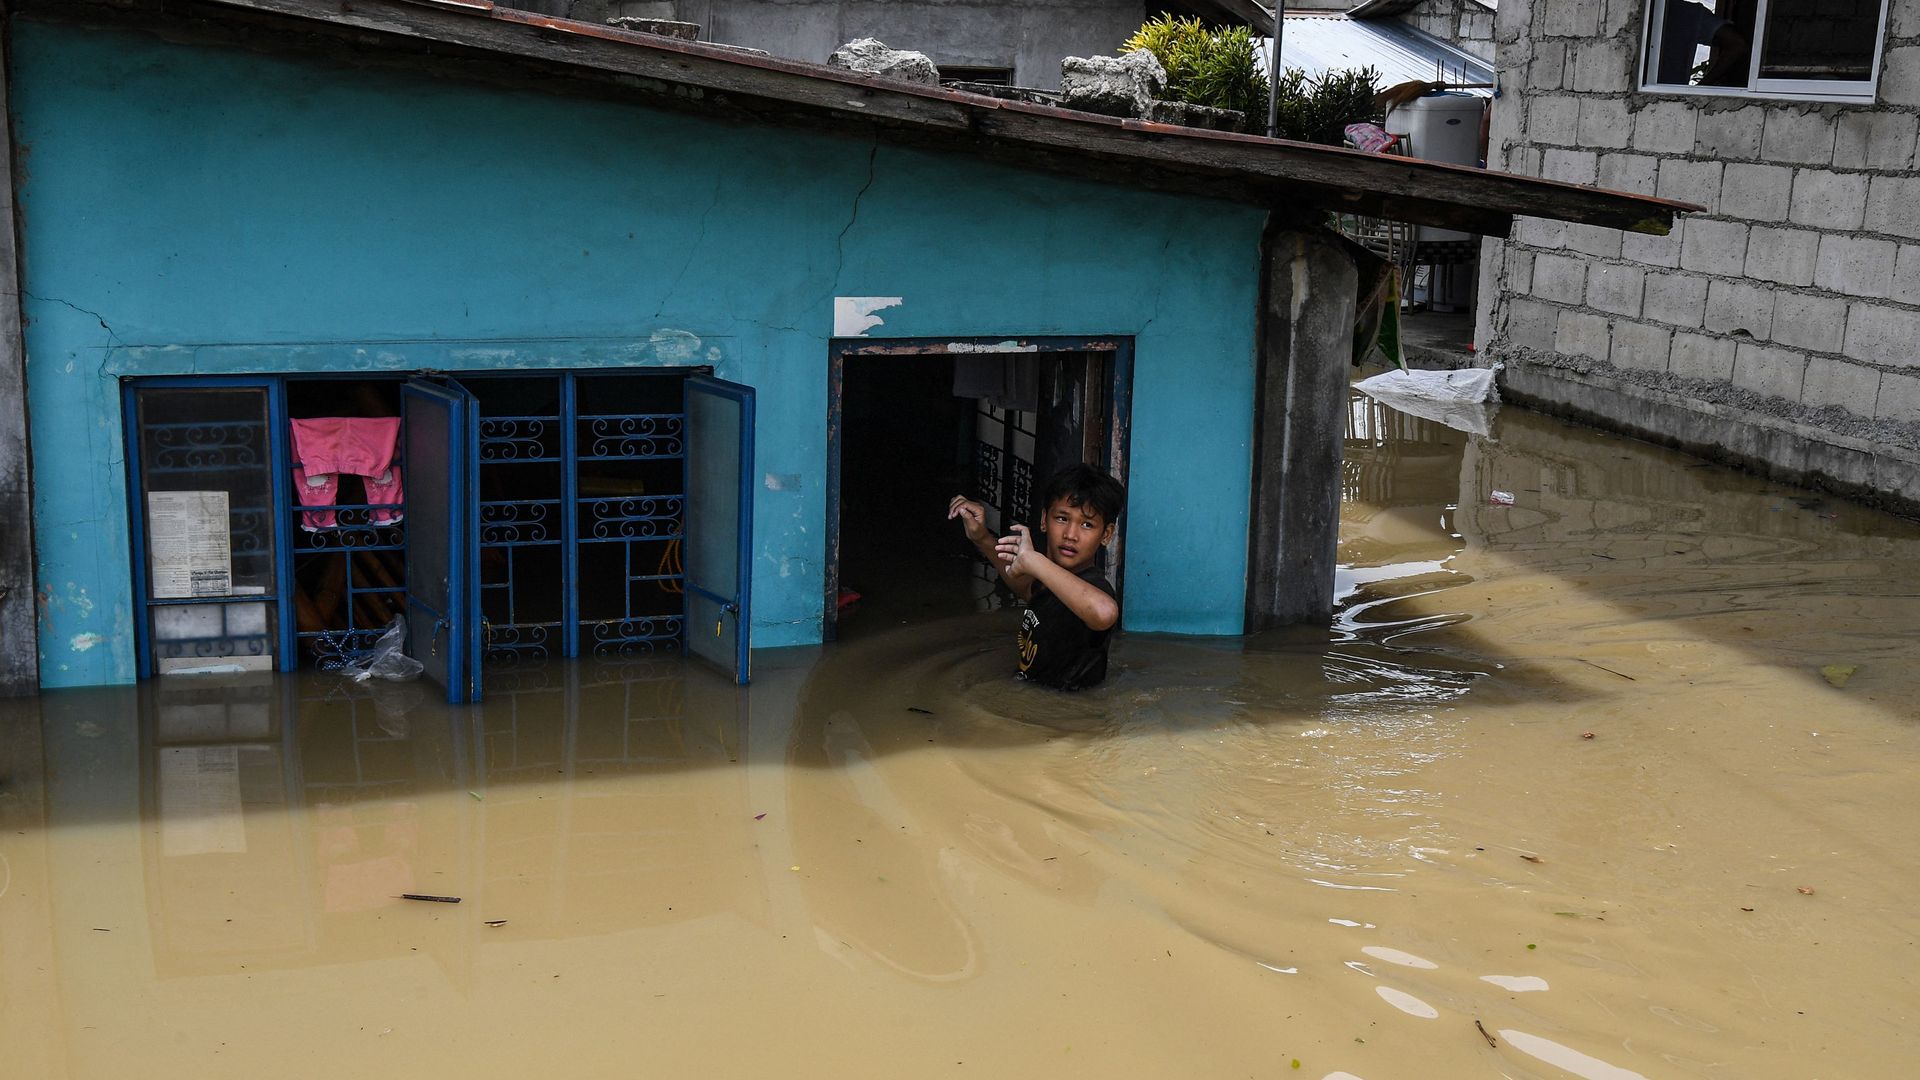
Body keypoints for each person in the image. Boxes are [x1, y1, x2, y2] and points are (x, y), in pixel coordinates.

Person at [947, 464, 1125, 690]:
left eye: (1087, 524)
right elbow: (1026, 588)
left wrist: (1035, 561)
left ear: (1106, 535)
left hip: (1065, 713)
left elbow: (1104, 613)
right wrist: (981, 537)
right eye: (1061, 518)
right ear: (1044, 520)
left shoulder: (1094, 585)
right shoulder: (1047, 578)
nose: (1071, 535)